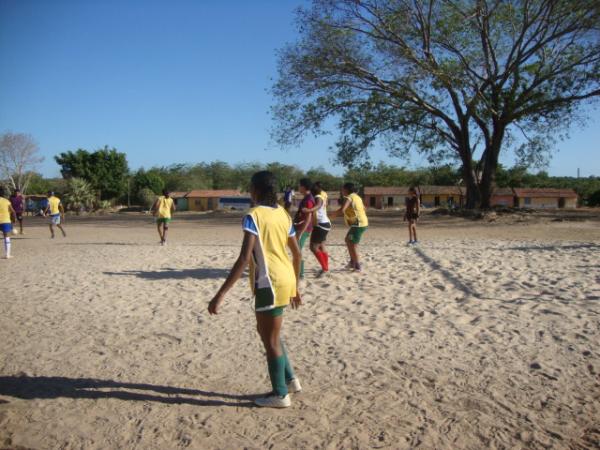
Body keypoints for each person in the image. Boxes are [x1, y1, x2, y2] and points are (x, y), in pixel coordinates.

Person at [208, 170, 303, 408]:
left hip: (268, 283)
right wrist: (296, 286)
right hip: (286, 279)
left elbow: (243, 258)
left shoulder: (253, 215)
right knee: (271, 335)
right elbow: (298, 254)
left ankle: (280, 394)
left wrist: (220, 295)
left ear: (257, 190)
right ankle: (290, 380)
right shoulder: (282, 213)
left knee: (269, 340)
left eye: (250, 187)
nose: (249, 191)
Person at [331, 182, 368, 272]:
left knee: (352, 245)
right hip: (362, 222)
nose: (341, 191)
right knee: (348, 240)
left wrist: (331, 216)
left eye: (343, 189)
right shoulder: (357, 197)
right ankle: (352, 262)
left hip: (358, 224)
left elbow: (342, 210)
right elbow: (364, 208)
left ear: (346, 190)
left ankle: (357, 265)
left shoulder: (349, 197)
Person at [301, 182, 331, 277]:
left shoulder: (318, 196)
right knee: (321, 246)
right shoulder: (322, 194)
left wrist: (308, 210)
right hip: (324, 223)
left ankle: (325, 269)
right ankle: (325, 268)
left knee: (313, 247)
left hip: (321, 225)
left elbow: (318, 205)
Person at [293, 178, 315, 279]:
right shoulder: (306, 197)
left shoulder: (309, 199)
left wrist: (301, 232)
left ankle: (300, 273)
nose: (298, 187)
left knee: (298, 250)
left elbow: (309, 216)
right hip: (299, 227)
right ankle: (298, 271)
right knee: (296, 249)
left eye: (299, 185)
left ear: (303, 186)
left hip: (304, 229)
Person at [0, 187, 16, 259]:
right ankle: (7, 254)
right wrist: (13, 220)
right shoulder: (6, 201)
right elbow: (13, 211)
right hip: (5, 221)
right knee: (7, 237)